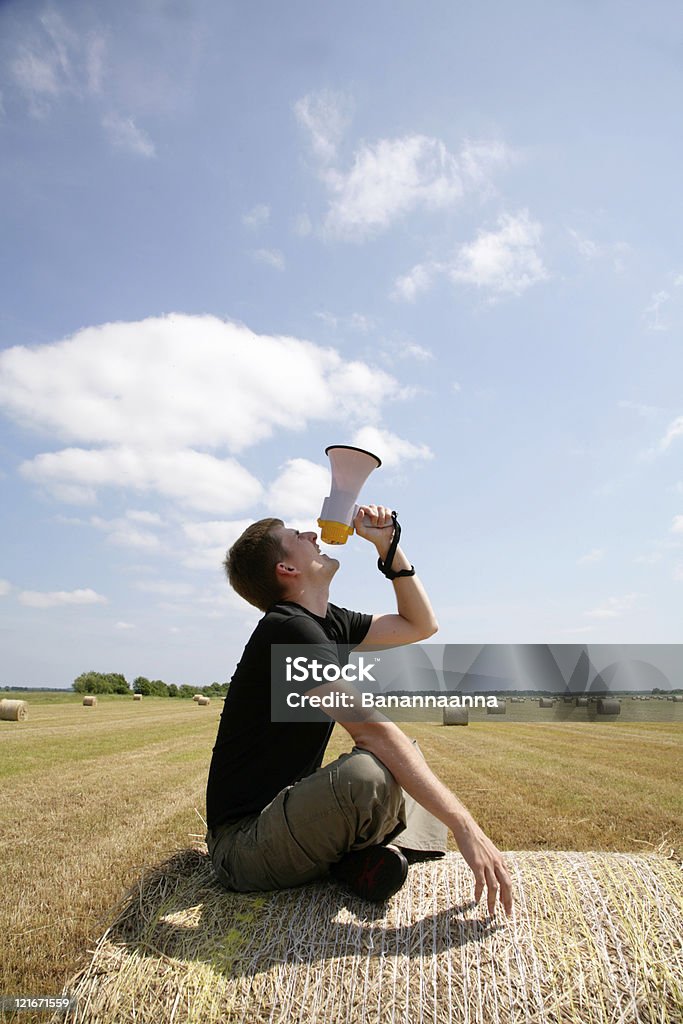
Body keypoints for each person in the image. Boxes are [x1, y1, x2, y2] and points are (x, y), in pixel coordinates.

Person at [206, 504, 512, 915]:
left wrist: (388, 547)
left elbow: (420, 625)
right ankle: (353, 856)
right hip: (242, 848)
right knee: (369, 774)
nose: (312, 535)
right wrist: (464, 824)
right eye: (298, 537)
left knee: (407, 758)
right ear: (287, 569)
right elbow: (371, 733)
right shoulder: (287, 630)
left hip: (284, 818)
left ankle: (347, 860)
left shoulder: (328, 622)